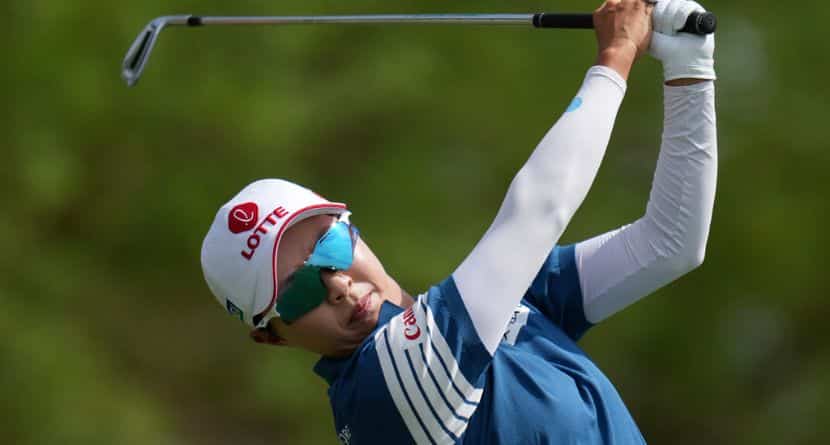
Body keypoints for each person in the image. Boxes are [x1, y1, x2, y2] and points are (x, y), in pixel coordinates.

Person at [199, 0, 717, 442]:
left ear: (352, 227)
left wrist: (690, 67)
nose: (335, 284)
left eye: (329, 245)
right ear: (274, 337)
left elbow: (669, 243)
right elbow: (539, 206)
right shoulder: (383, 391)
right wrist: (615, 57)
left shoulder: (486, 311)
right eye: (295, 290)